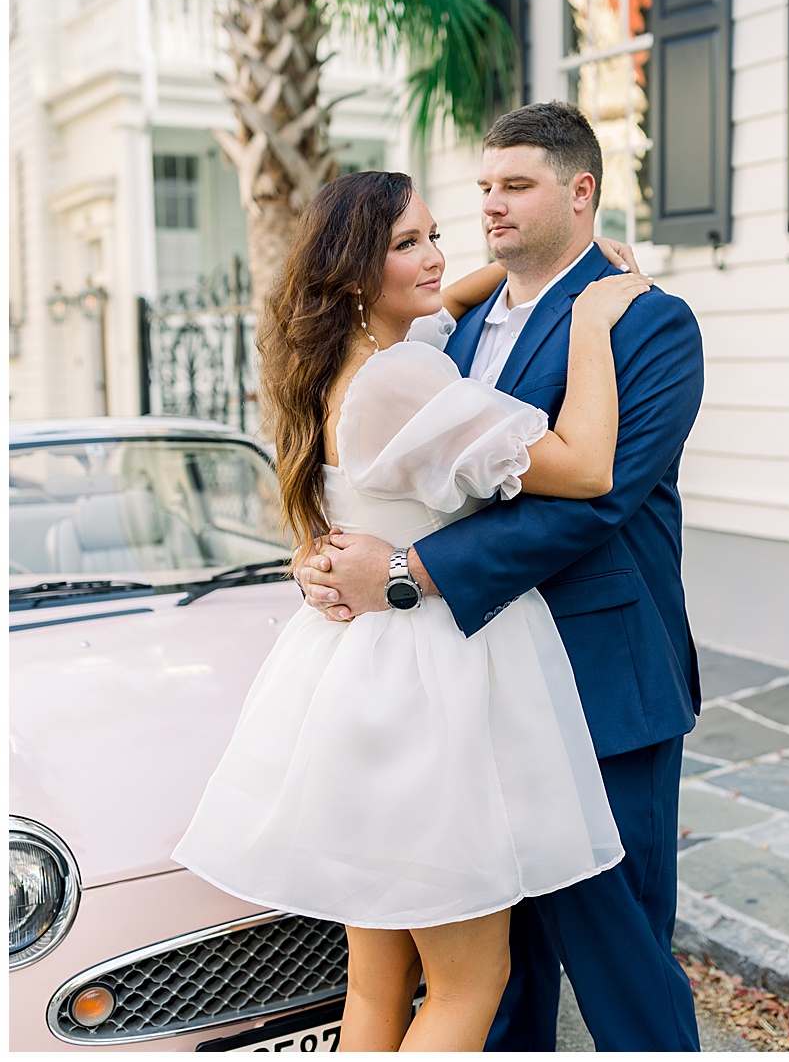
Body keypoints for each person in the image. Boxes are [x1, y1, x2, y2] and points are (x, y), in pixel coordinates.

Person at [173, 164, 652, 1051]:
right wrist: (588, 316)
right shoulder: (400, 381)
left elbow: (440, 304)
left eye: (435, 234)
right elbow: (585, 468)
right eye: (406, 245)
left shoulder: (331, 360)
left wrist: (491, 278)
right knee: (471, 986)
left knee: (376, 989)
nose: (436, 257)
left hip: (353, 682)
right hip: (426, 688)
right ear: (356, 270)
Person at [301, 101, 706, 1052]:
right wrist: (326, 552)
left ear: (582, 191)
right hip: (469, 689)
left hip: (603, 679)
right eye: (482, 187)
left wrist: (404, 571)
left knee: (622, 963)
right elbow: (381, 459)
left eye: (516, 186)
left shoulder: (649, 322)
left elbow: (592, 501)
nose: (490, 205)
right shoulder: (455, 316)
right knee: (498, 978)